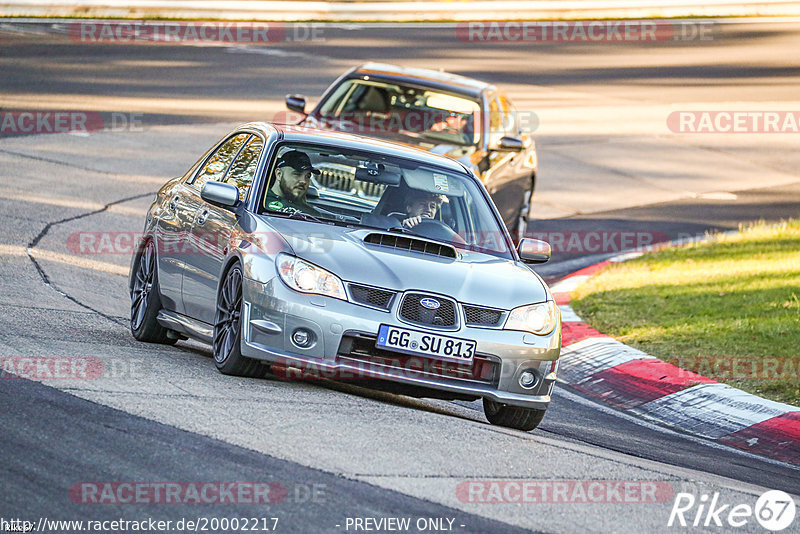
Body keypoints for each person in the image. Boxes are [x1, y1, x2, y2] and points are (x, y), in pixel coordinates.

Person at [264, 150, 321, 216]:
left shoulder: (313, 215)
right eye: (297, 174)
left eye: (307, 176)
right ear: (279, 174)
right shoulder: (261, 202)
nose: (304, 181)